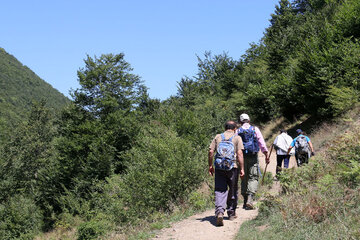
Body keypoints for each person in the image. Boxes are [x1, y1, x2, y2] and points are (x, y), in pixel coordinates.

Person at [208, 120, 244, 226]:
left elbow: (210, 152)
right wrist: (242, 168)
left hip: (219, 167)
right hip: (232, 167)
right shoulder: (237, 137)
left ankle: (219, 212)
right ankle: (231, 213)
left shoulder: (218, 136)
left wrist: (210, 166)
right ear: (235, 129)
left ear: (225, 128)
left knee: (220, 190)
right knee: (232, 189)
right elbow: (240, 153)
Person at [237, 113, 269, 210]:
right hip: (253, 156)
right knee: (253, 177)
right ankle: (250, 199)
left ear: (240, 121)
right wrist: (266, 154)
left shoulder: (237, 131)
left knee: (243, 177)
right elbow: (261, 143)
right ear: (249, 120)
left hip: (241, 157)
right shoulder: (255, 129)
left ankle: (245, 200)